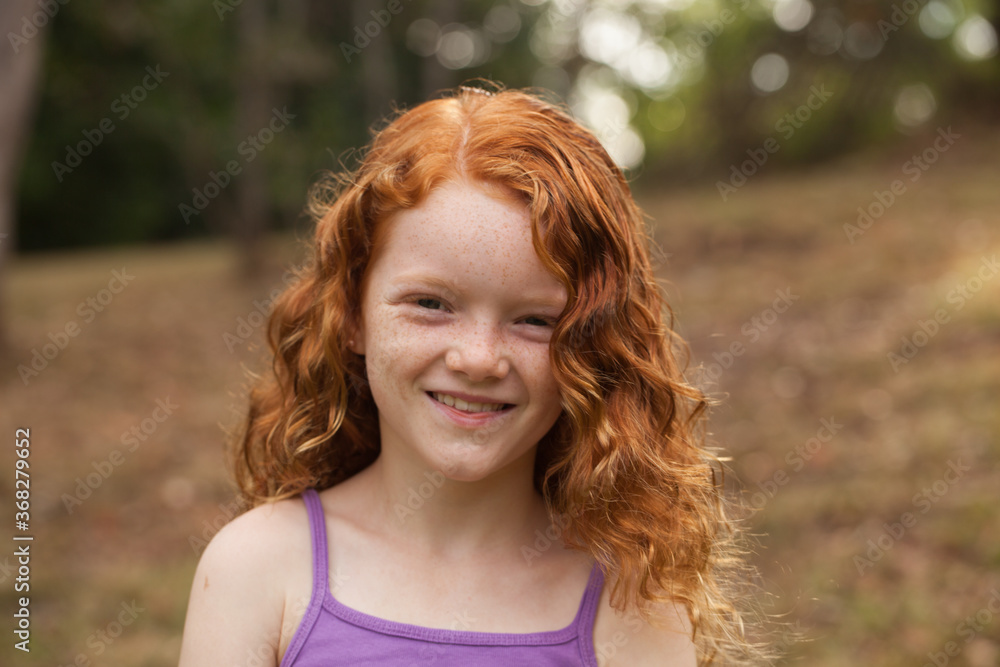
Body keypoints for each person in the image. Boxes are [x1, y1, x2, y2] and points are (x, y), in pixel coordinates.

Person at [178, 83, 767, 666]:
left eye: (536, 320)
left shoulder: (631, 600)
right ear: (351, 314)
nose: (480, 358)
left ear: (596, 347)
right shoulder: (259, 570)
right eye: (431, 304)